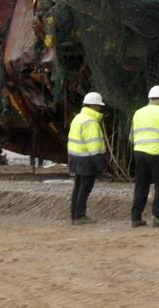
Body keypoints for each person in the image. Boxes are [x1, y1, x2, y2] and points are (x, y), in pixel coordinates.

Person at [131, 85, 159, 227]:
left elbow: (131, 137)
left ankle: (136, 218)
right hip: (158, 153)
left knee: (141, 185)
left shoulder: (138, 112)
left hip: (139, 153)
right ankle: (157, 217)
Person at [66, 91, 108, 225]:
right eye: (99, 106)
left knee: (78, 187)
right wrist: (101, 166)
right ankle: (79, 216)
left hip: (75, 158)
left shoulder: (78, 117)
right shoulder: (91, 122)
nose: (101, 108)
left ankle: (74, 215)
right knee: (85, 188)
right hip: (86, 160)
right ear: (95, 106)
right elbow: (94, 147)